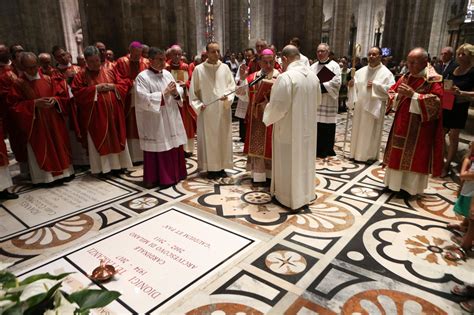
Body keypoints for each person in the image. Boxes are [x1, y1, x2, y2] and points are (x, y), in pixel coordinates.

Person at [263, 44, 321, 210]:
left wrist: (266, 108)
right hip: (307, 131)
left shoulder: (286, 77)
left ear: (285, 59)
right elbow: (317, 101)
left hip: (288, 131)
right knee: (304, 162)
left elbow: (277, 108)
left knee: (288, 162)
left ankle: (287, 197)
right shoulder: (313, 76)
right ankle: (305, 194)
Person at [383, 47, 443, 198]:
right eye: (408, 62)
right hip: (401, 123)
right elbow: (392, 91)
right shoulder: (406, 77)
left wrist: (414, 95)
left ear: (425, 62)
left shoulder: (433, 80)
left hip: (420, 128)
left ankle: (408, 188)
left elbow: (437, 103)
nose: (409, 66)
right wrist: (396, 96)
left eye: (413, 62)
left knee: (415, 157)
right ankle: (393, 185)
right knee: (397, 153)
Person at [8, 52, 74, 185]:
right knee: (41, 149)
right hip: (35, 124)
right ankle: (45, 178)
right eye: (28, 68)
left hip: (53, 121)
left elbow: (63, 97)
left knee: (59, 145)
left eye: (34, 66)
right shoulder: (18, 84)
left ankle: (64, 173)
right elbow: (13, 106)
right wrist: (33, 104)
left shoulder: (48, 79)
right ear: (22, 67)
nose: (32, 70)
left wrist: (55, 100)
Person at [71, 46, 132, 175]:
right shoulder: (81, 75)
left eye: (97, 60)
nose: (95, 64)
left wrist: (113, 86)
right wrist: (95, 89)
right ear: (86, 61)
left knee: (116, 136)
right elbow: (76, 93)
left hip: (114, 113)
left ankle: (120, 165)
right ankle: (103, 169)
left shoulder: (110, 70)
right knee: (101, 140)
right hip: (96, 116)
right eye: (91, 61)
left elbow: (123, 85)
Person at [134, 47, 187, 188]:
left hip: (170, 115)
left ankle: (176, 174)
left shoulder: (168, 75)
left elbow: (177, 92)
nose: (163, 62)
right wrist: (164, 93)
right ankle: (159, 178)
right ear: (150, 60)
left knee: (173, 144)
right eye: (159, 59)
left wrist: (176, 92)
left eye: (164, 59)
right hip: (155, 120)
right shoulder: (142, 77)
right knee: (159, 146)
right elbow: (142, 99)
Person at [189, 41, 236, 179]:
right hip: (207, 113)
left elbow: (231, 87)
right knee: (210, 140)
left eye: (218, 51)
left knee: (223, 138)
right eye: (213, 51)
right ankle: (211, 168)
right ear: (207, 53)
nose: (216, 54)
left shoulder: (225, 68)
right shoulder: (199, 69)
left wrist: (227, 97)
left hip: (222, 111)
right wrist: (198, 105)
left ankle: (221, 166)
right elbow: (193, 93)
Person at [236, 48, 280, 184]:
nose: (268, 65)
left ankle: (272, 175)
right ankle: (259, 176)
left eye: (271, 62)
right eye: (265, 62)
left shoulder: (280, 77)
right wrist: (242, 79)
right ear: (259, 62)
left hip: (273, 119)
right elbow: (242, 96)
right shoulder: (253, 77)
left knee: (272, 146)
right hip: (256, 118)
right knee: (257, 146)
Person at [347, 47, 395, 162]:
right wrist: (351, 85)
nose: (371, 57)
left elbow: (391, 91)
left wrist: (376, 85)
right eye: (369, 54)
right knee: (359, 130)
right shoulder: (360, 72)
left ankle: (369, 156)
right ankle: (355, 154)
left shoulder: (386, 74)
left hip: (375, 108)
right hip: (360, 106)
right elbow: (355, 89)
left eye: (374, 54)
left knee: (371, 132)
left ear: (380, 56)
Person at [441, 44, 474, 177]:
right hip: (448, 103)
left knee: (453, 136)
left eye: (463, 54)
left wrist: (461, 92)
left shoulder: (472, 72)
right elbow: (446, 83)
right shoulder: (453, 69)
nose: (460, 56)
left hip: (460, 106)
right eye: (459, 54)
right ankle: (441, 159)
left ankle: (447, 164)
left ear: (470, 56)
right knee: (440, 133)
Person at [115, 41, 149, 164]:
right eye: (134, 55)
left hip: (143, 98)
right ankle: (133, 156)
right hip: (129, 98)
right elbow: (118, 79)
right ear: (129, 51)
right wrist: (130, 83)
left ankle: (145, 153)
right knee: (131, 124)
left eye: (139, 55)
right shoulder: (121, 61)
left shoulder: (145, 62)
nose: (137, 58)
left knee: (143, 124)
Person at [311, 43, 341, 159]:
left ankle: (327, 149)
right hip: (316, 101)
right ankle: (316, 148)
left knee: (327, 125)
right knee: (317, 125)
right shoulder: (312, 66)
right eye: (318, 51)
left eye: (322, 51)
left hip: (328, 100)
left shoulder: (334, 66)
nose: (320, 53)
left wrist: (320, 85)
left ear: (328, 52)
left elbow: (336, 82)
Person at [165, 45, 196, 158]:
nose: (177, 56)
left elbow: (192, 80)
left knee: (186, 125)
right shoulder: (166, 67)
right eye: (175, 54)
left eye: (179, 54)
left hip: (185, 101)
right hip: (172, 101)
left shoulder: (186, 66)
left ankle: (187, 149)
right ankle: (175, 148)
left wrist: (186, 85)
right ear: (170, 55)